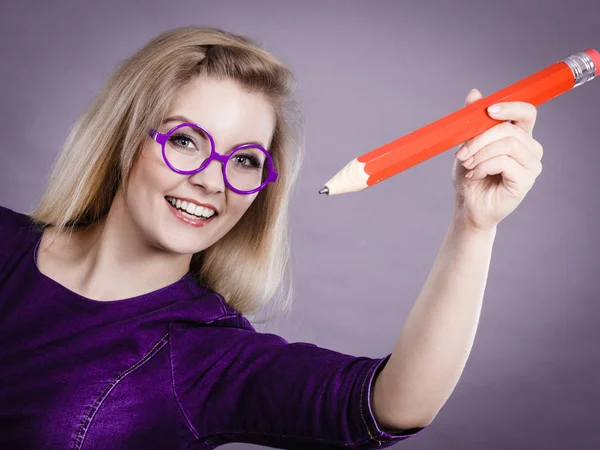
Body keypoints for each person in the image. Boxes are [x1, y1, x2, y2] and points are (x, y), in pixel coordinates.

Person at [0, 26, 543, 449]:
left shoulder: (205, 355)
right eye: (187, 141)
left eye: (244, 160)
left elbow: (393, 404)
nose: (213, 180)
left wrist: (474, 225)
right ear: (125, 135)